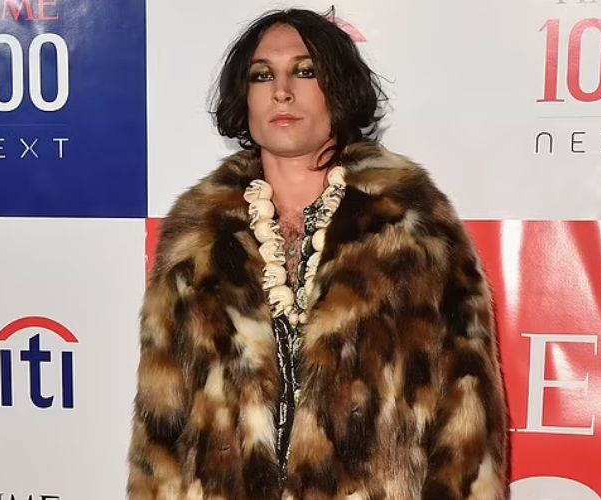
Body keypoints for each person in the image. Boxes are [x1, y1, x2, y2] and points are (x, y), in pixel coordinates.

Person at [128, 8, 507, 500]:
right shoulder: (197, 234)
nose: (281, 91)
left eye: (304, 71)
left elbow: (468, 414)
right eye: (262, 75)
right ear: (245, 99)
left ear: (339, 89)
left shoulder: (412, 226)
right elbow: (159, 420)